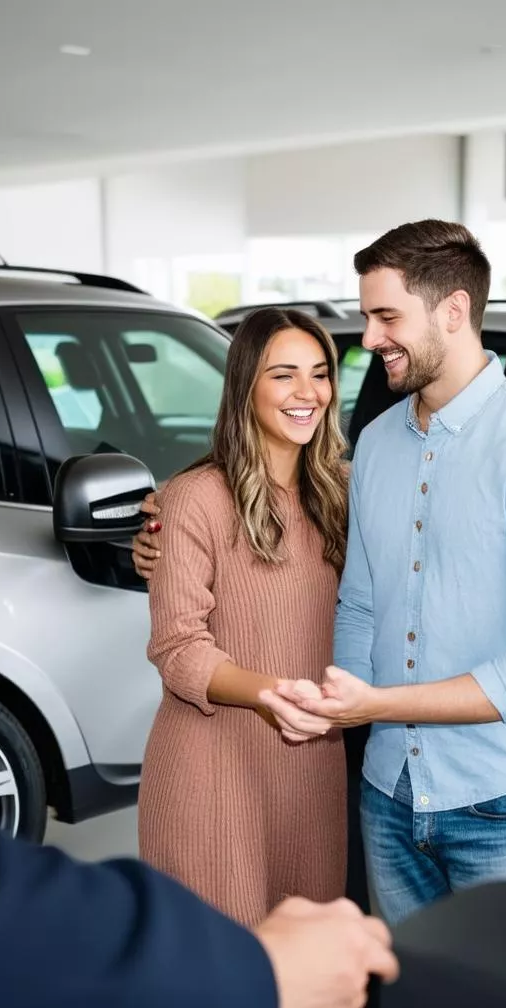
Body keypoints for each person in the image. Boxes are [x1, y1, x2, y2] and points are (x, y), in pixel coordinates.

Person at [134, 221, 506, 927]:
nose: (368, 339)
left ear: (453, 311)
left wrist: (369, 707)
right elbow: (358, 604)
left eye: (386, 317)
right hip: (383, 792)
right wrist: (158, 530)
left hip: (505, 800)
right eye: (365, 318)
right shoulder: (381, 451)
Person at [0, 648, 398, 1008]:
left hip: (326, 768)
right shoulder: (190, 500)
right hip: (234, 761)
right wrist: (249, 976)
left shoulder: (347, 492)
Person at [138, 306, 350, 927]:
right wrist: (271, 692)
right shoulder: (194, 498)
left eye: (319, 373)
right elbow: (177, 645)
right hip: (213, 771)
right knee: (217, 979)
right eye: (283, 375)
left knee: (305, 980)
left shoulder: (347, 493)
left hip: (312, 772)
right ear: (245, 386)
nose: (306, 393)